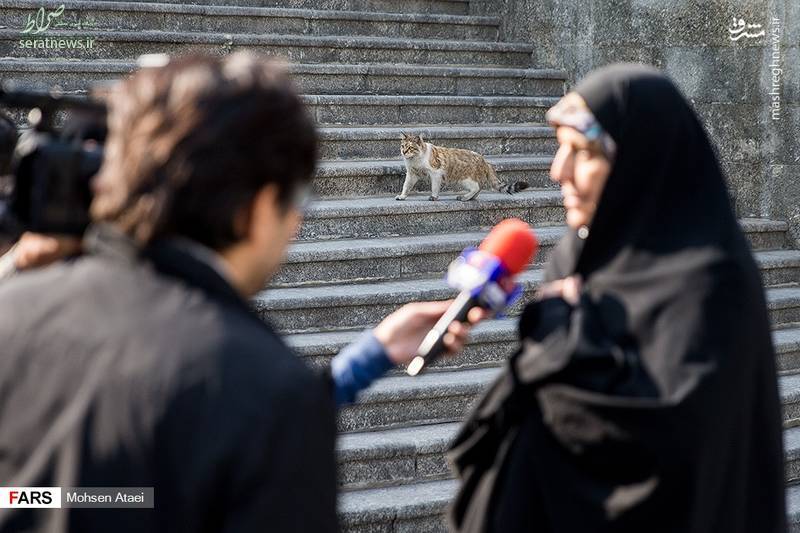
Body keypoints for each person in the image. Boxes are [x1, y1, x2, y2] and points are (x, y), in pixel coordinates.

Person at [0, 52, 482, 532]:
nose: (296, 221)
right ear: (255, 206)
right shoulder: (269, 397)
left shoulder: (14, 307)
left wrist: (365, 360)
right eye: (295, 198)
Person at [447, 63, 786, 533]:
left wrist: (558, 344)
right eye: (560, 148)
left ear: (639, 163)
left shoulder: (711, 285)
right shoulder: (578, 257)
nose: (557, 171)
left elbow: (672, 459)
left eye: (582, 152)